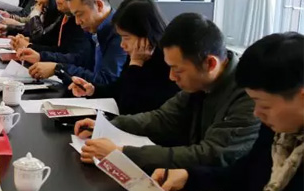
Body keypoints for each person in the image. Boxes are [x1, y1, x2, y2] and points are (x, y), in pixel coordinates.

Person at [138, 33, 303, 191]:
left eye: (264, 105)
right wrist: (188, 176)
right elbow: (244, 173)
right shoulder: (282, 131)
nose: (256, 113)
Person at [75, 13, 260, 169]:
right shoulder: (200, 81)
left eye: (177, 70)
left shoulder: (251, 95)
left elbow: (209, 154)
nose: (171, 77)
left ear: (210, 63)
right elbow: (163, 118)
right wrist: (109, 126)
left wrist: (122, 154)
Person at [68, 0, 179, 115]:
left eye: (126, 37)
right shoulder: (139, 54)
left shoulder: (166, 63)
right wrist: (92, 90)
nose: (122, 44)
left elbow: (128, 108)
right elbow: (119, 89)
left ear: (145, 35)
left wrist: (135, 64)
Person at [22, 0, 127, 86]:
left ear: (99, 6)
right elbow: (81, 59)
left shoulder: (120, 33)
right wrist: (42, 57)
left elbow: (105, 81)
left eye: (79, 14)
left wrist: (59, 69)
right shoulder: (94, 29)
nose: (77, 22)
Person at [12, 0, 94, 69]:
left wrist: (32, 48)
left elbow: (76, 58)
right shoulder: (66, 15)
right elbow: (54, 45)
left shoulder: (82, 22)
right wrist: (29, 42)